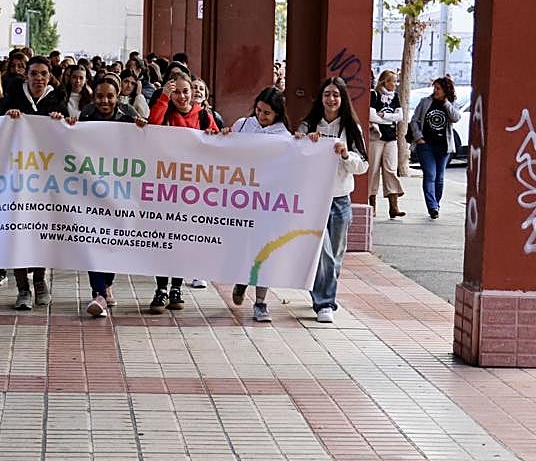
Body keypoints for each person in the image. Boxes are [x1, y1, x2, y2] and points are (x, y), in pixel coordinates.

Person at [65, 74, 146, 317]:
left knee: (112, 241)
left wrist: (143, 129)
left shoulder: (129, 116)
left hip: (120, 192)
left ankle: (107, 285)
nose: (105, 101)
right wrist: (64, 124)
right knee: (92, 240)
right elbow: (68, 140)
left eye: (110, 96)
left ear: (118, 95)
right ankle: (98, 293)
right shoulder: (86, 116)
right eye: (100, 96)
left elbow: (146, 145)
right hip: (90, 192)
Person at [0, 56, 68, 309]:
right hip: (16, 179)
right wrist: (8, 117)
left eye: (43, 74)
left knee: (40, 232)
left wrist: (62, 121)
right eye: (34, 73)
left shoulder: (57, 100)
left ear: (49, 76)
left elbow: (70, 135)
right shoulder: (12, 98)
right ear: (26, 74)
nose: (38, 78)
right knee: (17, 233)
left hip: (45, 182)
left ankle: (39, 281)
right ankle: (22, 289)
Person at [296, 78, 369, 324]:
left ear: (343, 98)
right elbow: (295, 154)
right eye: (327, 94)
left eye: (336, 95)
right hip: (315, 200)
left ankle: (323, 291)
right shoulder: (308, 125)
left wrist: (346, 154)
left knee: (336, 256)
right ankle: (324, 303)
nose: (331, 99)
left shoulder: (351, 127)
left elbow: (362, 165)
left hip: (340, 199)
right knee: (323, 251)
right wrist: (304, 142)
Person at [146, 74, 218, 313]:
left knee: (181, 241)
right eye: (176, 92)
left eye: (185, 91)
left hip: (192, 191)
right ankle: (161, 288)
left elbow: (219, 144)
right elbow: (152, 126)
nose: (182, 96)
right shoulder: (164, 111)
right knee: (162, 241)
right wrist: (163, 98)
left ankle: (176, 287)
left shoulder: (204, 116)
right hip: (165, 189)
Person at [223, 87, 291, 323]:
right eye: (259, 110)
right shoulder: (243, 125)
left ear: (277, 114)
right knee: (243, 247)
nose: (261, 116)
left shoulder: (283, 136)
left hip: (267, 202)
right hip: (242, 198)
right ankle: (242, 280)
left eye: (267, 113)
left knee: (265, 250)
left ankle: (261, 301)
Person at [408, 75, 460, 219]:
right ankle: (432, 207)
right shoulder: (425, 102)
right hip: (426, 145)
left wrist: (446, 103)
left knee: (440, 177)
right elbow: (414, 121)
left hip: (443, 146)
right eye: (434, 88)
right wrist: (419, 137)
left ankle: (436, 204)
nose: (435, 91)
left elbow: (456, 118)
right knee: (430, 175)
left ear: (445, 90)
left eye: (438, 88)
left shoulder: (451, 103)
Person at [368, 70, 406, 220]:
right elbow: (371, 116)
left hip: (391, 138)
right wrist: (390, 119)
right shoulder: (374, 95)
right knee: (373, 170)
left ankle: (393, 206)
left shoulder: (395, 97)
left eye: (396, 82)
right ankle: (371, 205)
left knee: (391, 169)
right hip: (376, 138)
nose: (394, 85)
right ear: (384, 81)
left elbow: (400, 116)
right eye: (392, 81)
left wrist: (384, 116)